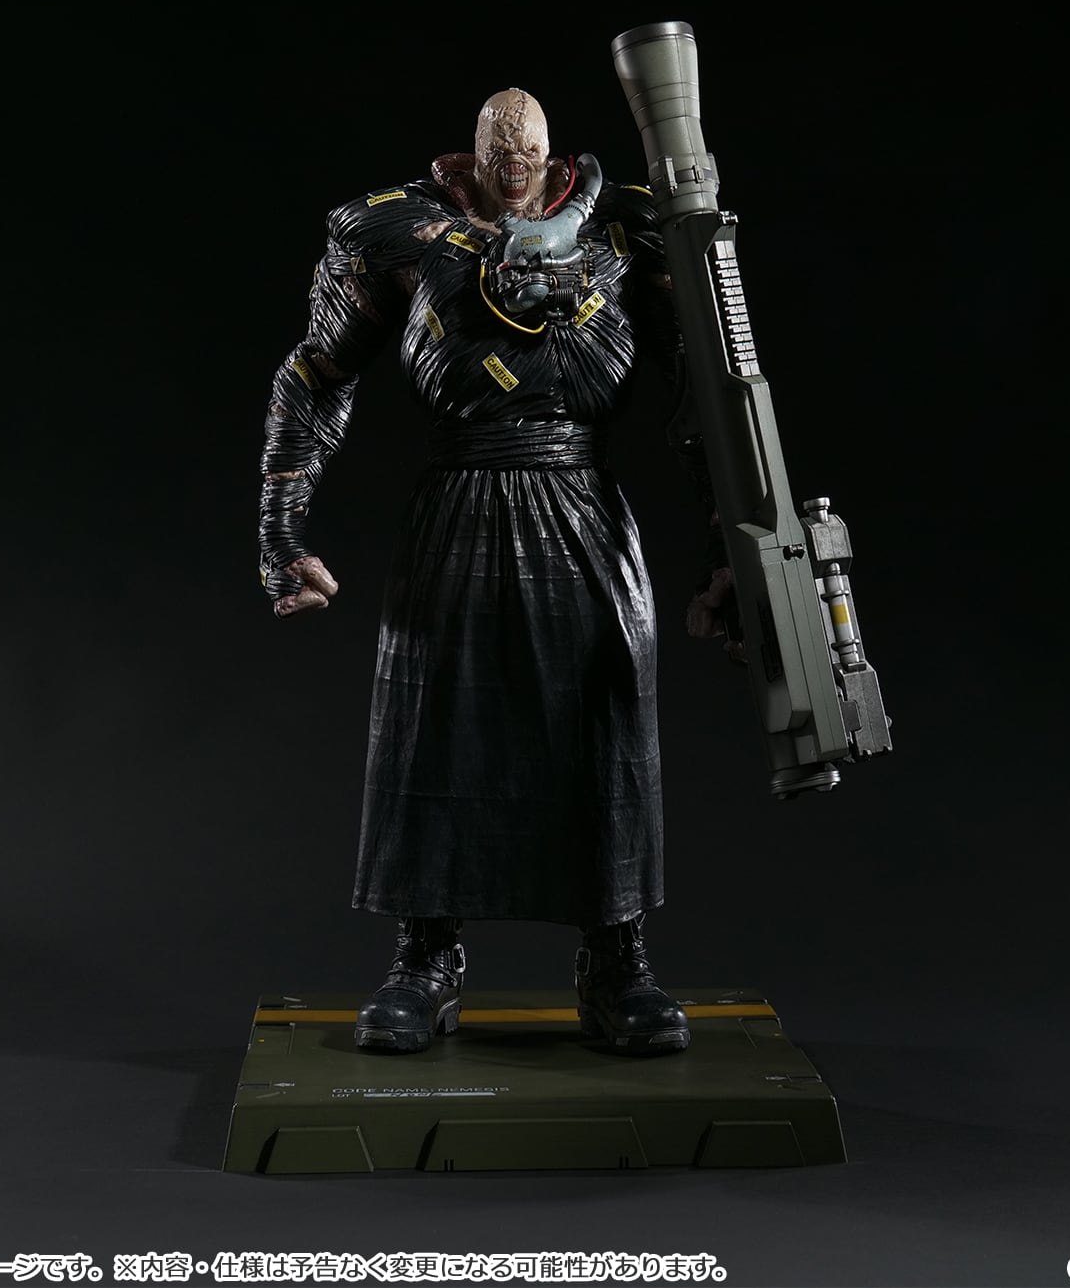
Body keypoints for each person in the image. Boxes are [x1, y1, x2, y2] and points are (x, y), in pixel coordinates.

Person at [258, 88, 723, 1058]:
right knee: (434, 728)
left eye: (529, 160)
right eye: (496, 160)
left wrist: (731, 553)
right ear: (470, 158)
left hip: (584, 504)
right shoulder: (396, 233)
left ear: (552, 158)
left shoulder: (627, 231)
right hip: (458, 503)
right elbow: (315, 375)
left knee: (604, 724)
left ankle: (618, 960)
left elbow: (710, 399)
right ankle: (423, 960)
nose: (514, 176)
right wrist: (281, 531)